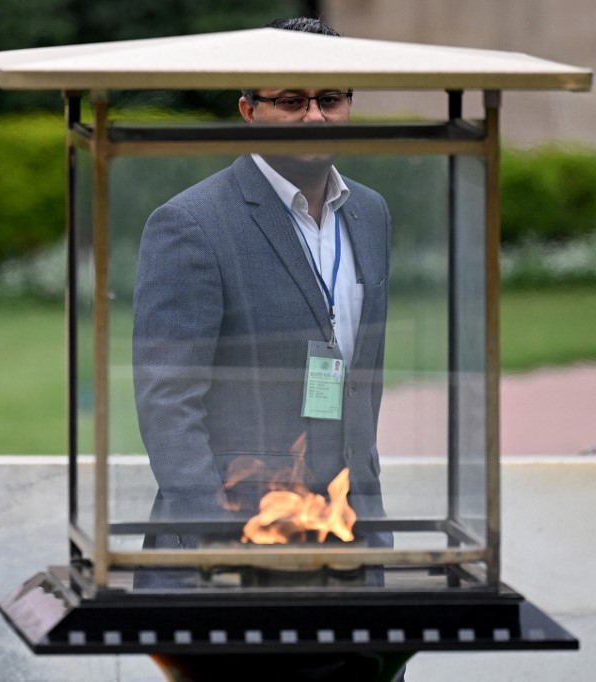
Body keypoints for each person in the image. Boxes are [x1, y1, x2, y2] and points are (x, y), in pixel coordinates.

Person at [133, 17, 392, 567]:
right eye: (292, 101)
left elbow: (363, 381)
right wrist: (219, 540)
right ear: (249, 111)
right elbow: (168, 405)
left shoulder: (370, 213)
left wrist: (373, 523)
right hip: (235, 543)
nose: (315, 117)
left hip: (350, 535)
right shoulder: (191, 224)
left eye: (330, 99)